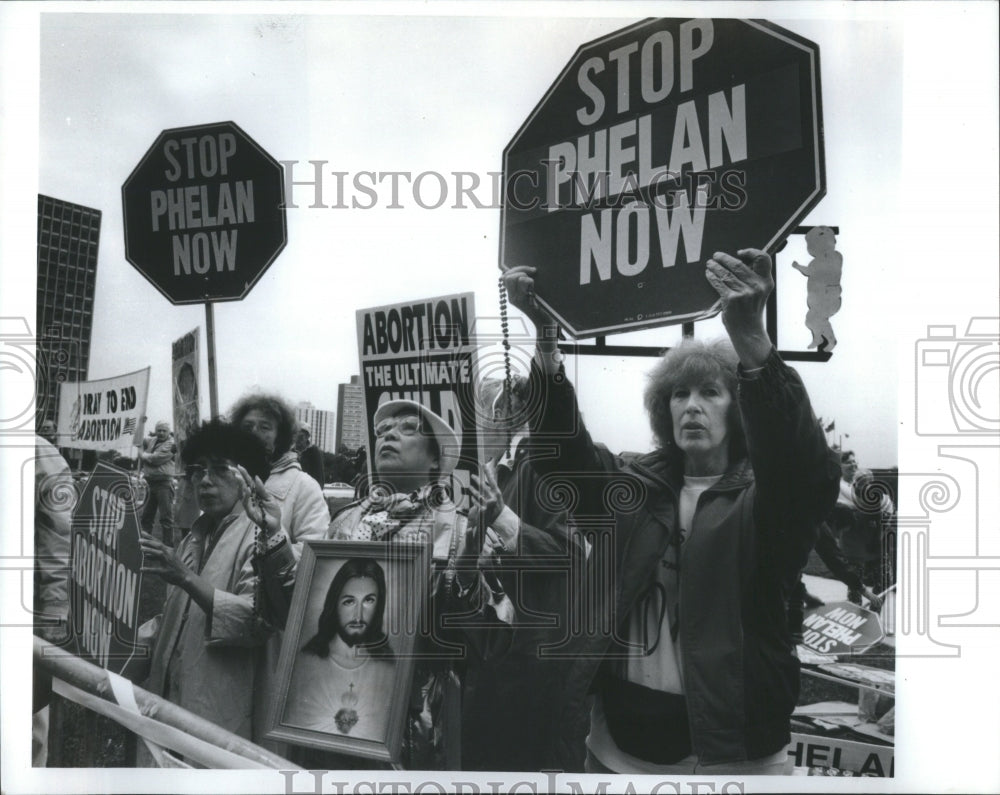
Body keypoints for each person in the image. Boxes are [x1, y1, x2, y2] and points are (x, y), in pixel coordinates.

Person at [503, 248, 841, 775]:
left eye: (710, 391)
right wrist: (545, 339)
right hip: (618, 752)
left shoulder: (767, 499)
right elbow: (564, 457)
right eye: (679, 393)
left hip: (735, 758)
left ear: (741, 407)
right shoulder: (635, 488)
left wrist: (751, 338)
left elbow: (805, 474)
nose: (691, 405)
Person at [263, 399, 512, 770]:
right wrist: (275, 540)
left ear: (435, 460)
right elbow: (300, 618)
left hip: (412, 731)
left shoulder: (461, 529)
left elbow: (485, 644)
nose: (389, 435)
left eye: (407, 428)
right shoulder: (345, 522)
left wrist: (464, 573)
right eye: (381, 432)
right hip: (329, 720)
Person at [459, 376, 590, 772]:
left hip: (531, 671)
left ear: (503, 413)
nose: (474, 426)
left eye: (479, 414)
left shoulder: (543, 464)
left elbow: (570, 552)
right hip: (493, 664)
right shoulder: (493, 473)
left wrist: (501, 518)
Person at [138, 420, 295, 746]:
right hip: (173, 704)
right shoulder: (195, 535)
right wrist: (123, 640)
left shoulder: (261, 536)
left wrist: (184, 576)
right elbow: (176, 620)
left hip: (224, 715)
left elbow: (255, 620)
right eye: (198, 470)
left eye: (220, 469)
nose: (205, 480)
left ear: (247, 479)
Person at [284, 558, 396, 741]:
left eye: (368, 600)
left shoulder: (387, 662)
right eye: (349, 602)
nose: (358, 615)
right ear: (334, 603)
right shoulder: (308, 658)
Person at [229, 393, 330, 549]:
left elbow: (311, 557)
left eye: (264, 427)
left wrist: (275, 537)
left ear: (280, 437)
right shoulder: (226, 479)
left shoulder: (305, 488)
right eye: (247, 427)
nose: (254, 432)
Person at [33, 434, 74, 766]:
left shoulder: (37, 452)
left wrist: (55, 612)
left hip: (20, 607)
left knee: (27, 718)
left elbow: (59, 535)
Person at [833, 451, 895, 604]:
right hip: (853, 544)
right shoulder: (837, 487)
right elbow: (858, 504)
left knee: (885, 580)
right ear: (839, 466)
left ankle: (873, 616)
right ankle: (856, 619)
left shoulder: (865, 485)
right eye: (848, 462)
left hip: (875, 542)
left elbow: (884, 505)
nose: (853, 464)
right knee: (855, 584)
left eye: (854, 461)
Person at [139, 421, 177, 544]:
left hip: (164, 484)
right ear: (155, 430)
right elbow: (138, 439)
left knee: (166, 518)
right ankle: (145, 545)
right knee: (146, 517)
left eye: (164, 431)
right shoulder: (152, 440)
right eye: (159, 430)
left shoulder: (171, 444)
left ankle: (168, 546)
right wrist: (141, 423)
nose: (161, 433)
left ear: (168, 432)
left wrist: (141, 455)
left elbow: (155, 459)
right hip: (151, 484)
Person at [295, 421, 325, 487]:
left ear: (307, 437)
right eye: (296, 436)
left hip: (309, 489)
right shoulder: (291, 451)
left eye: (301, 437)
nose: (298, 440)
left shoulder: (314, 451)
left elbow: (319, 476)